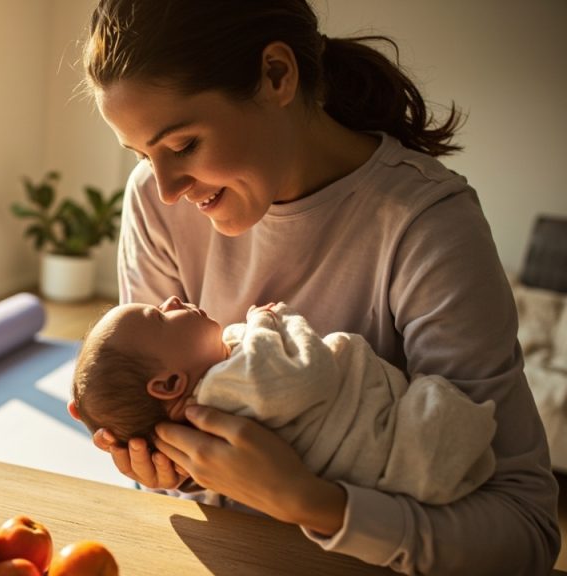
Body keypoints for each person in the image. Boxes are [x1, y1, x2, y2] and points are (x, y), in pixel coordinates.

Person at [77, 0, 560, 573]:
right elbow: (169, 446)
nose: (165, 188)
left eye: (183, 146)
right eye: (142, 155)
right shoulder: (155, 204)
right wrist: (165, 468)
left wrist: (311, 503)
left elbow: (524, 532)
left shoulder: (425, 225)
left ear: (277, 75)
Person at [70, 297, 497, 505]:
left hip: (389, 448)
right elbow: (307, 376)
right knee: (433, 404)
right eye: (160, 316)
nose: (173, 300)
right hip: (408, 444)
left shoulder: (210, 401)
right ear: (168, 385)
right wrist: (267, 321)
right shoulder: (226, 386)